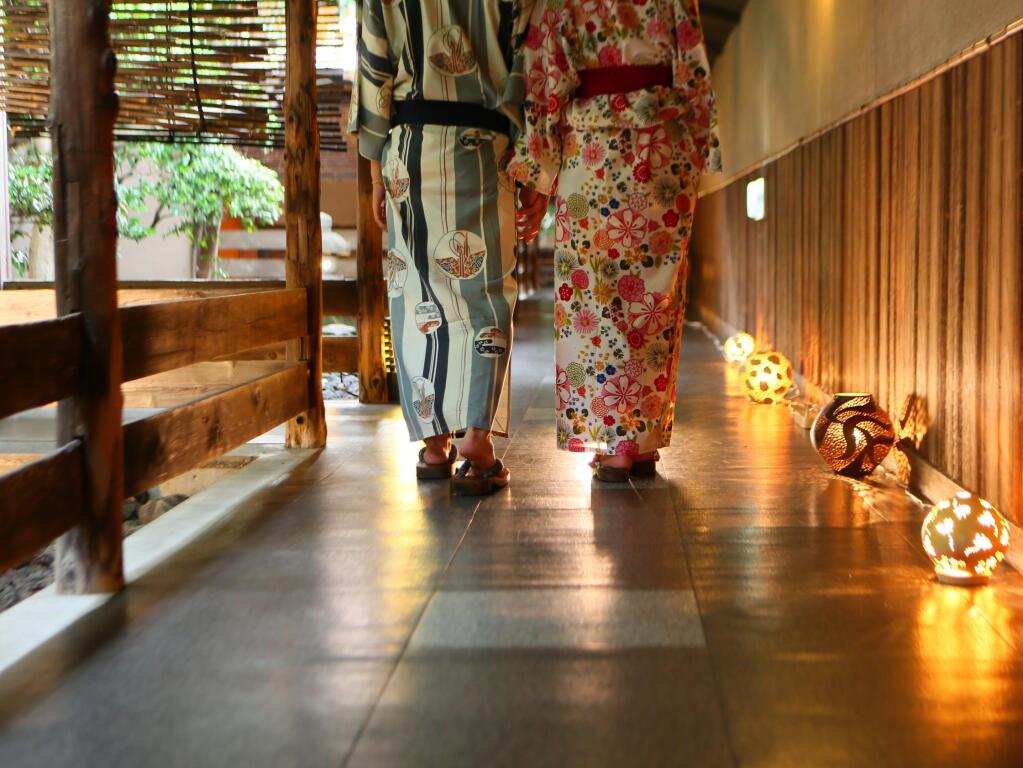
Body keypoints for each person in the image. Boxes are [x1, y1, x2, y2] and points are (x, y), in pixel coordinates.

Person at [509, 0, 721, 481]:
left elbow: (546, 76)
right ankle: (639, 441)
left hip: (594, 146)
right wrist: (700, 146)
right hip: (663, 144)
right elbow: (692, 59)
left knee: (597, 295)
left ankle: (615, 445)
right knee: (654, 298)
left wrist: (538, 175)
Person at [351, 0, 533, 493]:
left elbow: (373, 67)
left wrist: (375, 173)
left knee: (415, 294)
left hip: (408, 148)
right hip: (483, 147)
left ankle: (434, 447)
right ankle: (476, 437)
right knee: (487, 293)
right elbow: (529, 63)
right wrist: (532, 166)